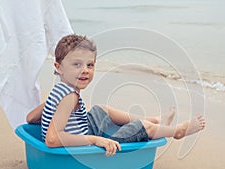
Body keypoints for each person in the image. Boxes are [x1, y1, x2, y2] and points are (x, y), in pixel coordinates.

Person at [26, 34, 206, 156]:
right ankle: (177, 132)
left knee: (100, 110)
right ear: (59, 67)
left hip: (83, 130)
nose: (85, 70)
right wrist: (95, 139)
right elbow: (52, 139)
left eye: (90, 65)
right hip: (86, 144)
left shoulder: (60, 90)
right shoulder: (69, 97)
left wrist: (51, 109)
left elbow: (30, 118)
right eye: (76, 64)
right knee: (141, 127)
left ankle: (155, 119)